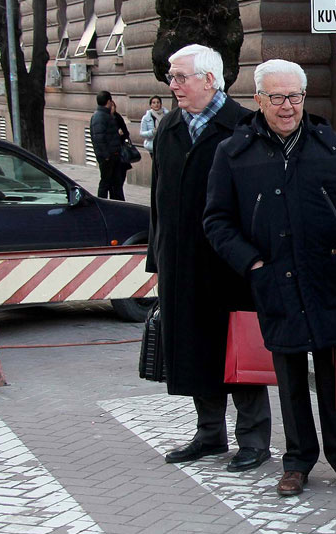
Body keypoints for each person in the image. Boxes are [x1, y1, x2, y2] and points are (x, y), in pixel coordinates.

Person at [203, 59, 336, 497]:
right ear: (258, 100)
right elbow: (216, 220)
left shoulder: (330, 147)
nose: (287, 106)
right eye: (276, 97)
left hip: (329, 282)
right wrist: (252, 263)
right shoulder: (235, 153)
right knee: (290, 378)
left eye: (295, 96)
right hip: (275, 284)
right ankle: (297, 461)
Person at [145, 44, 273, 473]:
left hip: (230, 266)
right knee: (195, 347)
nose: (173, 84)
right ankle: (209, 433)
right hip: (181, 262)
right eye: (171, 77)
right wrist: (157, 255)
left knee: (239, 348)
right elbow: (158, 199)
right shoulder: (169, 127)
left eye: (181, 77)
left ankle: (253, 439)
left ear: (209, 80)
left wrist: (255, 260)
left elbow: (259, 203)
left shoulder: (242, 127)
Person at [89, 90, 125, 200]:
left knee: (115, 182)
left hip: (113, 154)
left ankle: (117, 203)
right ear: (108, 101)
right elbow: (99, 138)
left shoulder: (105, 115)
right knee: (105, 182)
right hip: (108, 156)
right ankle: (102, 202)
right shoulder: (100, 116)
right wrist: (106, 156)